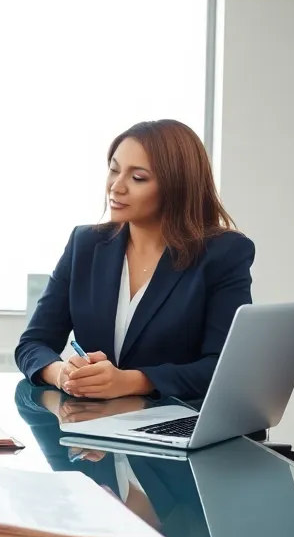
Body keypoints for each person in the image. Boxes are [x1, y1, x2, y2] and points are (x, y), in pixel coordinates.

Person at [14, 119, 254, 403]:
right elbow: (32, 344)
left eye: (137, 178)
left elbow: (222, 367)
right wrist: (62, 374)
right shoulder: (85, 245)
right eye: (114, 170)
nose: (116, 187)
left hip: (178, 428)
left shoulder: (223, 253)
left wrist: (132, 381)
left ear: (177, 186)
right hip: (96, 430)